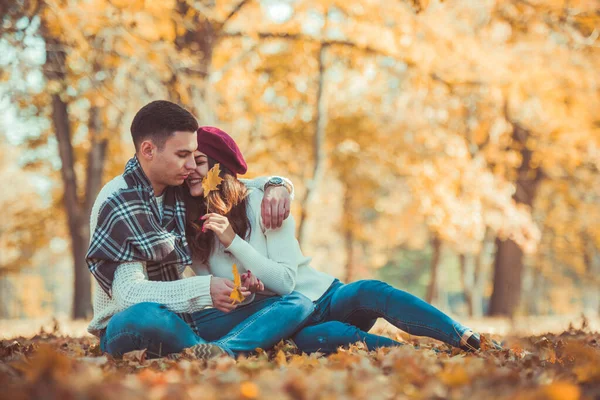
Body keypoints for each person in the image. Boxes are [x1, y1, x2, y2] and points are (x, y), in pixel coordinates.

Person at [183, 126, 497, 354]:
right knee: (331, 335)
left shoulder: (263, 203)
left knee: (370, 290)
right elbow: (241, 297)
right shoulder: (193, 230)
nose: (190, 170)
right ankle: (429, 358)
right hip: (290, 321)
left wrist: (235, 237)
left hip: (323, 296)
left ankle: (466, 338)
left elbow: (287, 281)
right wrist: (247, 291)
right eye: (186, 161)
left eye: (199, 161)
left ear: (219, 167)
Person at [86, 101, 314, 359]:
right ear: (148, 150)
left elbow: (235, 182)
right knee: (145, 315)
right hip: (127, 324)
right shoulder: (119, 200)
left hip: (184, 319)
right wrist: (204, 289)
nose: (192, 166)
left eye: (195, 156)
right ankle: (212, 346)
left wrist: (278, 185)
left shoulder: (177, 188)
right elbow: (128, 294)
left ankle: (217, 351)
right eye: (183, 155)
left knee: (297, 303)